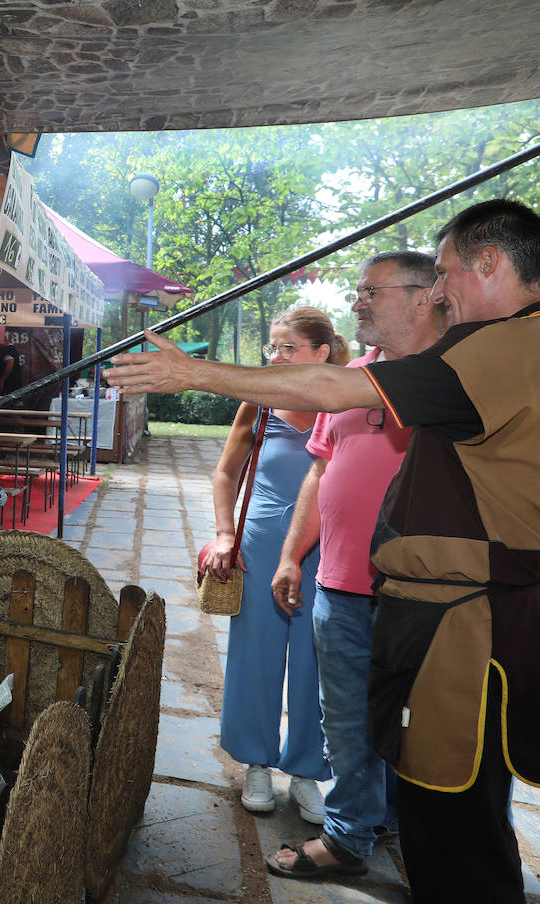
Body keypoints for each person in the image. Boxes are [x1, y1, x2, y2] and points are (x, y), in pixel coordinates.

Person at [106, 199, 540, 903]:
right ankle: (349, 829)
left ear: (490, 263)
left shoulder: (502, 347)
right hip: (441, 609)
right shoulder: (510, 347)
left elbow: (334, 387)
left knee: (452, 817)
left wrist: (195, 374)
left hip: (466, 623)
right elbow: (324, 451)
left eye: (449, 272)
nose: (443, 290)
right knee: (445, 794)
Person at [266, 252, 444, 878]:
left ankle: (421, 838)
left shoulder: (448, 377)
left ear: (425, 298)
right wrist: (293, 556)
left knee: (424, 724)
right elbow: (321, 469)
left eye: (372, 290)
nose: (358, 301)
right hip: (338, 584)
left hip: (424, 595)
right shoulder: (350, 378)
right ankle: (348, 838)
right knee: (345, 719)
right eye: (358, 290)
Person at [204, 307, 346, 826]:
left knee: (317, 662)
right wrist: (224, 534)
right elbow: (225, 472)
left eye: (288, 348)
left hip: (325, 548)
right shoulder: (260, 401)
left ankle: (308, 769)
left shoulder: (344, 403)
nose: (276, 357)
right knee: (256, 653)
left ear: (321, 354)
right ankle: (257, 762)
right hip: (262, 545)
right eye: (273, 347)